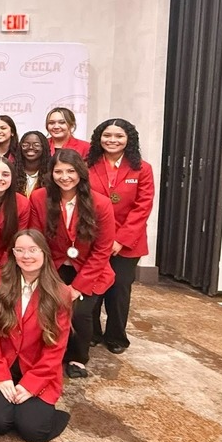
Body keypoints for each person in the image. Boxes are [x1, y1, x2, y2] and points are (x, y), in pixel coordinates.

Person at [29, 149, 115, 378]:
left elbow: (102, 250)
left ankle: (77, 357)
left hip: (89, 268)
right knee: (45, 307)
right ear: (51, 173)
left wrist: (77, 288)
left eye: (70, 171)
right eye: (58, 171)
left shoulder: (101, 203)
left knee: (79, 313)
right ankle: (47, 354)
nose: (64, 177)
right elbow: (36, 240)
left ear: (80, 173)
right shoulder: (39, 198)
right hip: (52, 265)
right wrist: (45, 276)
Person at [0, 229, 72, 442]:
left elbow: (56, 349)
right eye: (20, 250)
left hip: (37, 369)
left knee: (33, 431)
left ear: (44, 253)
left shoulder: (61, 292)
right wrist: (0, 374)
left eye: (33, 250)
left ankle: (50, 415)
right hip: (3, 364)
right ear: (13, 254)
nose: (26, 256)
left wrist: (30, 385)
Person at [87, 119, 155, 354]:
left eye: (119, 136)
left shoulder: (142, 168)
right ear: (99, 138)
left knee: (119, 289)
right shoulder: (88, 165)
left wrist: (120, 240)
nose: (112, 140)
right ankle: (92, 333)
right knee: (92, 286)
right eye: (107, 135)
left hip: (127, 244)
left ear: (129, 139)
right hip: (94, 239)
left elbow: (142, 207)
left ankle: (116, 337)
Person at [16, 131, 50, 198]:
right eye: (26, 145)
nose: (31, 147)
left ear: (43, 147)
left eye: (36, 145)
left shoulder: (50, 173)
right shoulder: (12, 172)